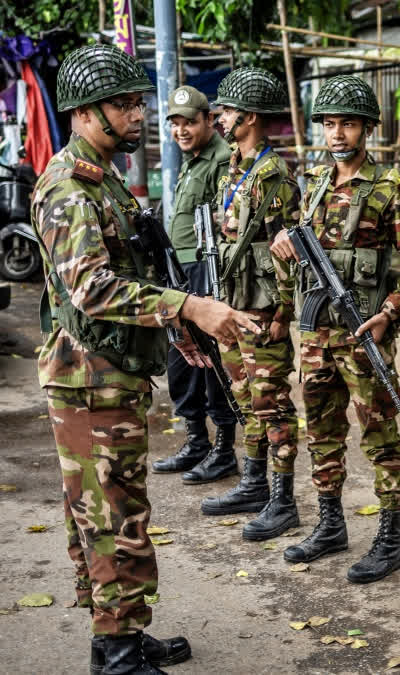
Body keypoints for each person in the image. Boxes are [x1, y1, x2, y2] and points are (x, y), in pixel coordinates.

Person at [32, 44, 259, 674]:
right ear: (82, 113)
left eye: (138, 102)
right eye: (122, 104)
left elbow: (136, 267)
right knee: (110, 515)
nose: (138, 115)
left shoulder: (104, 179)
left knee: (114, 507)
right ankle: (119, 656)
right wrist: (188, 308)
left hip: (111, 373)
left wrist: (174, 329)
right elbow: (93, 288)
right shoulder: (71, 189)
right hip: (87, 381)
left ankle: (120, 633)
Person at [268, 75, 400, 582]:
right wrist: (282, 245)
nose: (338, 134)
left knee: (380, 434)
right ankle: (331, 523)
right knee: (321, 429)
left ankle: (389, 538)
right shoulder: (312, 183)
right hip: (316, 335)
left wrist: (392, 314)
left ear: (367, 129)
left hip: (363, 334)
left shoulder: (391, 186)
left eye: (349, 124)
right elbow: (294, 242)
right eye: (330, 124)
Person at [195, 67, 303, 543]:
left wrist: (283, 314)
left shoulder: (272, 175)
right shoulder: (234, 170)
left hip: (263, 311)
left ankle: (283, 500)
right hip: (235, 304)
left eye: (228, 111)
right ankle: (255, 482)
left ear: (251, 116)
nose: (220, 119)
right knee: (245, 398)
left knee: (271, 402)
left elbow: (287, 251)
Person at [151, 85, 239, 479]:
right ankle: (195, 441)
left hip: (207, 271)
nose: (181, 130)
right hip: (181, 272)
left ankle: (223, 448)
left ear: (209, 120)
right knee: (182, 360)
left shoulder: (222, 159)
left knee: (211, 362)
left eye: (189, 122)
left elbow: (226, 224)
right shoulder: (193, 159)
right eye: (175, 123)